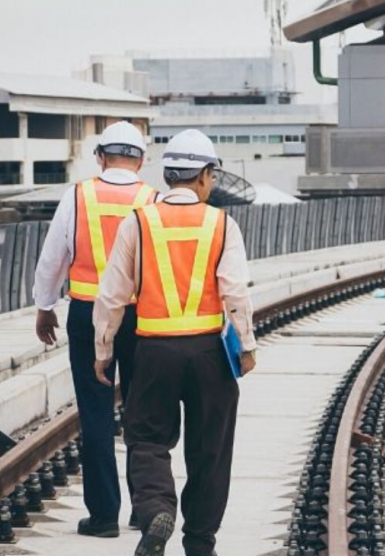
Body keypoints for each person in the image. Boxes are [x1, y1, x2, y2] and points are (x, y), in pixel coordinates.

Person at [92, 129, 257, 556]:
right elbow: (235, 291)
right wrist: (248, 343)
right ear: (204, 175)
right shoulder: (222, 224)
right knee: (211, 450)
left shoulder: (139, 222)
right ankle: (200, 542)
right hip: (209, 355)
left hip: (153, 352)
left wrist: (104, 349)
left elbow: (112, 293)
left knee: (146, 439)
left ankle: (155, 511)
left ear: (167, 175)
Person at [32, 120, 156, 538]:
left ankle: (104, 517)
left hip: (87, 314)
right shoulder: (152, 200)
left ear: (101, 157)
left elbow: (53, 258)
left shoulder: (78, 196)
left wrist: (44, 307)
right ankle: (145, 507)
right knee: (143, 412)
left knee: (96, 413)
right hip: (141, 318)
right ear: (141, 159)